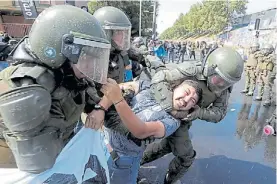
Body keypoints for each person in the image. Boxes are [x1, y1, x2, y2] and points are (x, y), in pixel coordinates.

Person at [0, 5, 111, 177]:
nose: (90, 64)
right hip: (16, 170)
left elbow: (95, 100)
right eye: (85, 56)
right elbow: (39, 165)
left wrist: (100, 108)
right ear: (58, 51)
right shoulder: (28, 90)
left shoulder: (69, 73)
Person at [140, 47, 244, 184]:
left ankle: (168, 179)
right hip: (160, 111)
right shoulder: (193, 70)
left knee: (185, 157)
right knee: (135, 140)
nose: (221, 84)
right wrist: (171, 108)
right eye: (218, 79)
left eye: (226, 83)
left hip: (182, 122)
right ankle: (128, 166)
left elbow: (219, 113)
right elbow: (160, 78)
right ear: (209, 69)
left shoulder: (222, 89)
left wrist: (198, 112)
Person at [88, 77, 202, 184]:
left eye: (192, 101)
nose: (186, 100)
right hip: (100, 145)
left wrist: (118, 100)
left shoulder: (172, 122)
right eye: (186, 92)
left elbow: (140, 131)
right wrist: (101, 108)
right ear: (176, 87)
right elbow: (118, 88)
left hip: (121, 164)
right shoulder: (149, 86)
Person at [93, 6, 132, 84]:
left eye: (124, 32)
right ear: (106, 34)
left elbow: (129, 73)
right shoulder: (93, 59)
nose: (123, 37)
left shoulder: (122, 54)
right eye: (118, 32)